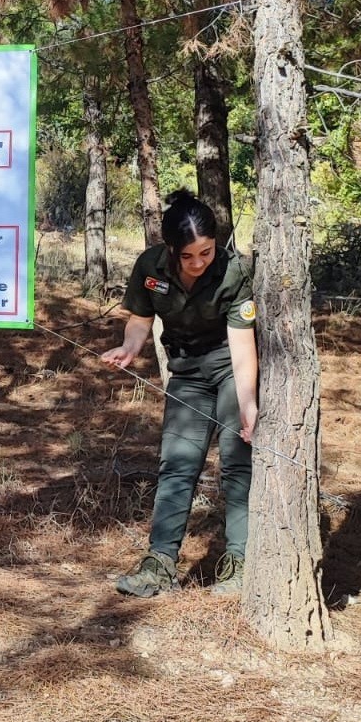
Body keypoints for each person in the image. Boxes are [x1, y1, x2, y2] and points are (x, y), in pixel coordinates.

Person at [101, 189, 258, 598]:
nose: (197, 263)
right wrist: (130, 347)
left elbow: (242, 344)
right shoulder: (150, 267)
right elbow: (140, 319)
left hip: (229, 369)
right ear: (171, 249)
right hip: (186, 371)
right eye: (187, 256)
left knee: (237, 462)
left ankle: (239, 562)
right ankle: (160, 563)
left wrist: (248, 403)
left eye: (205, 252)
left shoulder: (234, 271)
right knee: (178, 463)